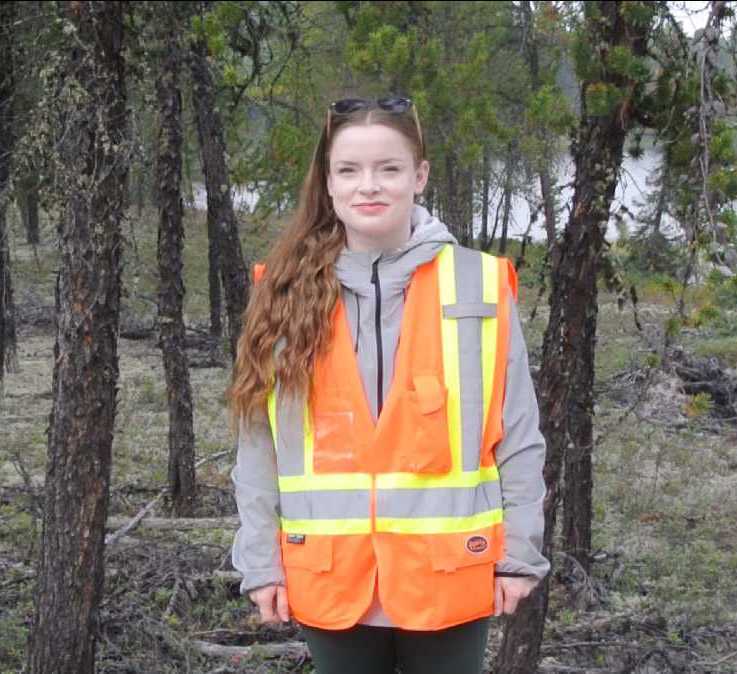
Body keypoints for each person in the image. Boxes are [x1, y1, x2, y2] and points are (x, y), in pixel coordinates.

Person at [228, 96, 549, 674]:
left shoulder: (477, 285)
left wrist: (519, 556)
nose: (368, 186)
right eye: (349, 170)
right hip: (330, 581)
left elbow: (519, 434)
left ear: (420, 176)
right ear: (327, 182)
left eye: (389, 168)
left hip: (448, 577)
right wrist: (261, 561)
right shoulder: (281, 292)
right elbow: (260, 447)